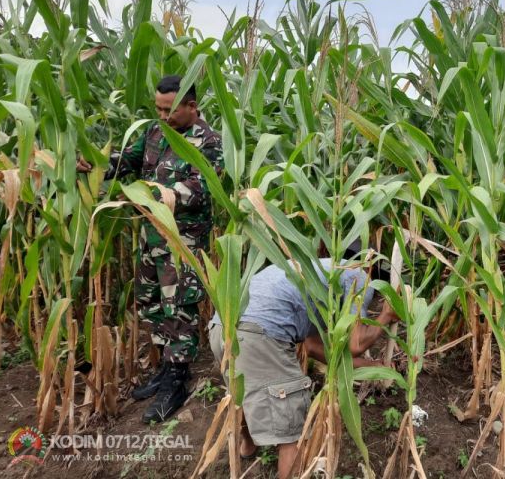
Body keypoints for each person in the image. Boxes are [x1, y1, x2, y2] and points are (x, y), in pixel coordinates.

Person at [77, 75, 222, 423]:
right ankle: (163, 368)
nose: (162, 115)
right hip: (151, 237)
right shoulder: (154, 131)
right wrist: (97, 164)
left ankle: (178, 378)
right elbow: (127, 159)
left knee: (179, 308)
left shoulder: (209, 141)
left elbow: (204, 188)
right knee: (153, 302)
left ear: (191, 106)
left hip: (182, 241)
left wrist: (164, 194)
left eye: (169, 110)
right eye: (157, 108)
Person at [208, 251, 397, 479]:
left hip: (222, 324)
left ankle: (248, 447)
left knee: (243, 394)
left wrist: (372, 365)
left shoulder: (317, 274)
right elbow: (357, 342)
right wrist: (386, 315)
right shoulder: (359, 277)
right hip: (261, 334)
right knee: (294, 431)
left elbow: (313, 347)